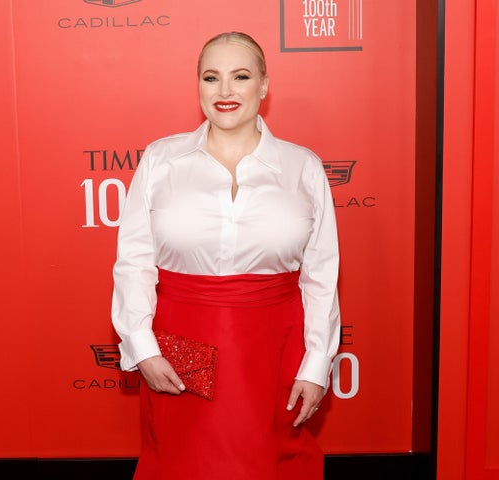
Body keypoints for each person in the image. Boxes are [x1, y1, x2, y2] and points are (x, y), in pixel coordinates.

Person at [111, 31, 341, 480]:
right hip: (180, 344)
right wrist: (141, 347)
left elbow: (321, 275)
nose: (225, 91)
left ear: (264, 84)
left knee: (270, 464)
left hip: (274, 350)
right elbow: (133, 260)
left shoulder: (303, 167)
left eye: (241, 76)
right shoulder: (162, 159)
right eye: (211, 77)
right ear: (198, 86)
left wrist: (317, 364)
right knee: (185, 463)